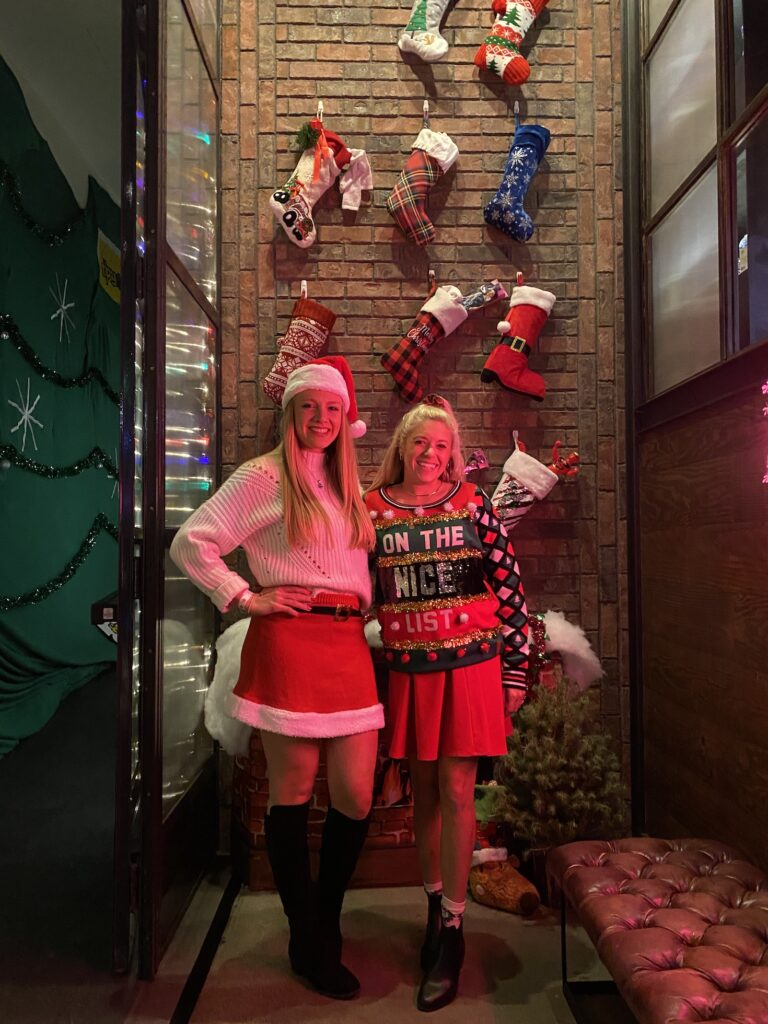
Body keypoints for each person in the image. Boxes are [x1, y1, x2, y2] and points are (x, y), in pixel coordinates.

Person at [170, 356, 380, 1000]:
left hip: (348, 644)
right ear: (290, 412)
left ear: (346, 418)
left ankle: (323, 918)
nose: (321, 419)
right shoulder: (263, 477)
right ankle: (308, 936)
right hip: (291, 638)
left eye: (333, 408)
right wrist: (243, 596)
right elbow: (192, 540)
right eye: (309, 406)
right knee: (290, 791)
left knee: (356, 796)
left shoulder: (346, 482)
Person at [364, 396, 529, 1012]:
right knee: (425, 791)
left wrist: (517, 670)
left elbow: (509, 588)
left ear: (453, 453)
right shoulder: (372, 510)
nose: (430, 454)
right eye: (419, 443)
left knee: (459, 790)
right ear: (401, 449)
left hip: (472, 667)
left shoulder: (474, 505)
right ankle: (434, 907)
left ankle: (455, 931)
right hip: (412, 670)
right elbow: (352, 579)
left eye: (441, 445)